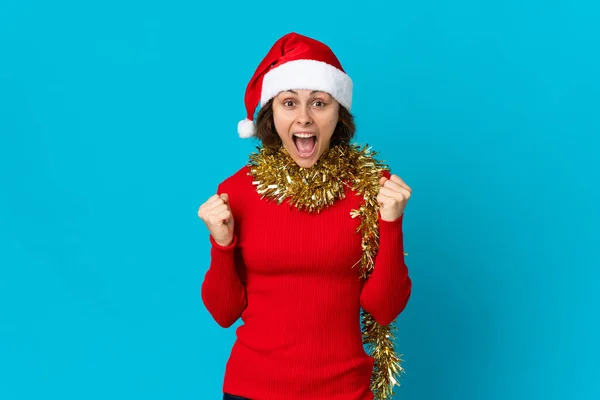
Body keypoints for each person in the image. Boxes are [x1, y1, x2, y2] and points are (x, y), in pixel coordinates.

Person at [198, 32, 413, 400]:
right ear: (270, 113)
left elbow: (385, 307)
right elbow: (223, 312)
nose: (304, 118)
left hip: (344, 391)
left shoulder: (371, 187)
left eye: (318, 103)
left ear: (338, 113)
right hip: (251, 389)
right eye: (289, 103)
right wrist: (221, 245)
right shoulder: (237, 191)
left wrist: (391, 224)